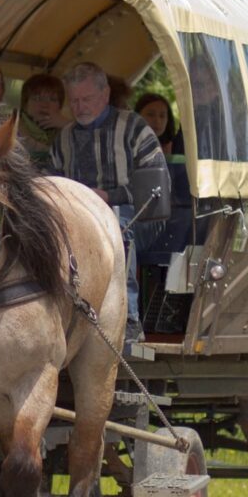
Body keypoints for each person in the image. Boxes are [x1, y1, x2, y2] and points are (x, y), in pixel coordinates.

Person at [48, 62, 168, 342]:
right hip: (77, 215)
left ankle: (129, 319)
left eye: (86, 99)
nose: (79, 107)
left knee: (116, 225)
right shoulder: (63, 139)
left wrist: (109, 197)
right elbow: (50, 181)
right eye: (74, 101)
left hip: (136, 215)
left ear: (105, 95)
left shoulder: (135, 128)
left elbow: (155, 188)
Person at [17, 73, 69, 166]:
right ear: (25, 103)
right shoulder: (13, 127)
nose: (45, 104)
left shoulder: (65, 130)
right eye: (37, 98)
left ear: (60, 106)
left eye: (52, 99)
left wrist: (69, 126)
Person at [134, 92, 184, 156]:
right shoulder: (128, 145)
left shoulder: (177, 146)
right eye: (150, 114)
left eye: (162, 116)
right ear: (137, 116)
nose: (157, 121)